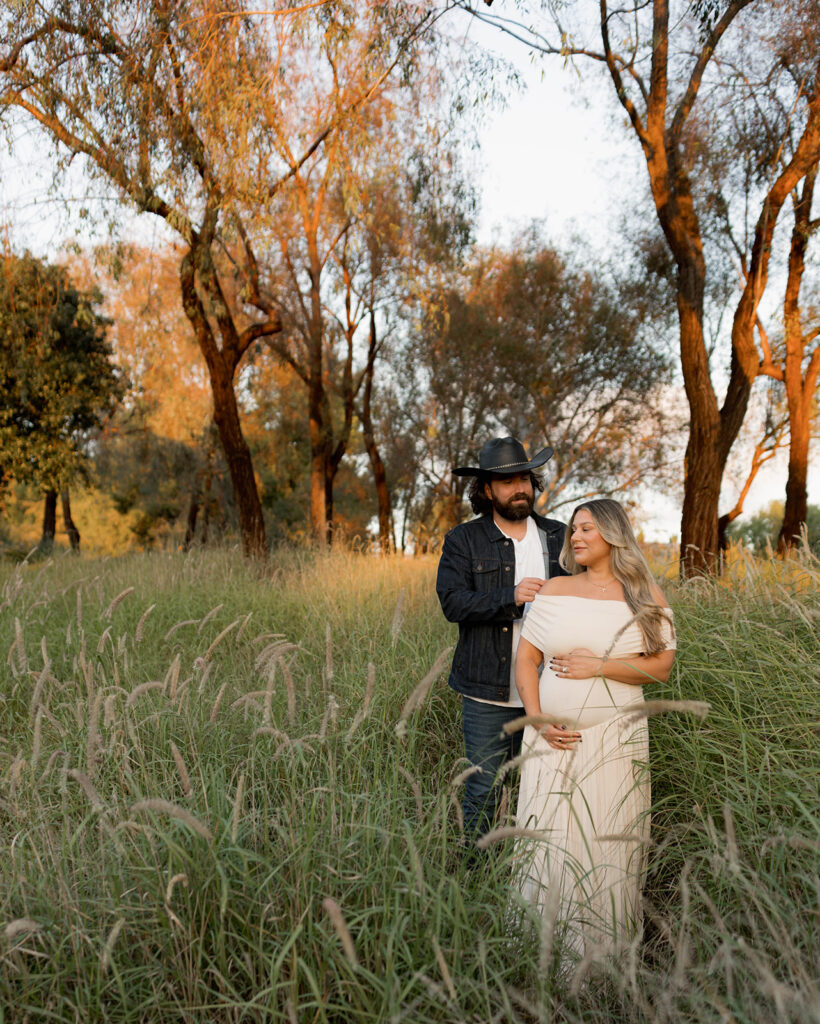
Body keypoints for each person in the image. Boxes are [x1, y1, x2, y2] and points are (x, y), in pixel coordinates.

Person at [514, 498, 676, 952]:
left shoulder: (644, 594)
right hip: (552, 740)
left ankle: (599, 958)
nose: (577, 537)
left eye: (587, 529)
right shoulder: (555, 590)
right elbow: (527, 660)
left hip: (615, 741)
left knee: (606, 840)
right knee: (547, 839)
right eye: (573, 531)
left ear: (613, 533)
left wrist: (601, 665)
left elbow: (660, 668)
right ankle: (535, 949)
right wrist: (538, 719)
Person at [436, 436, 568, 849]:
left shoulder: (559, 536)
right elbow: (453, 603)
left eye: (525, 478)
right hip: (486, 695)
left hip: (552, 690)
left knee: (547, 793)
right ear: (486, 490)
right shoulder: (464, 540)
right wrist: (508, 596)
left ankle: (532, 879)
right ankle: (477, 876)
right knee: (484, 791)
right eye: (507, 481)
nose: (519, 488)